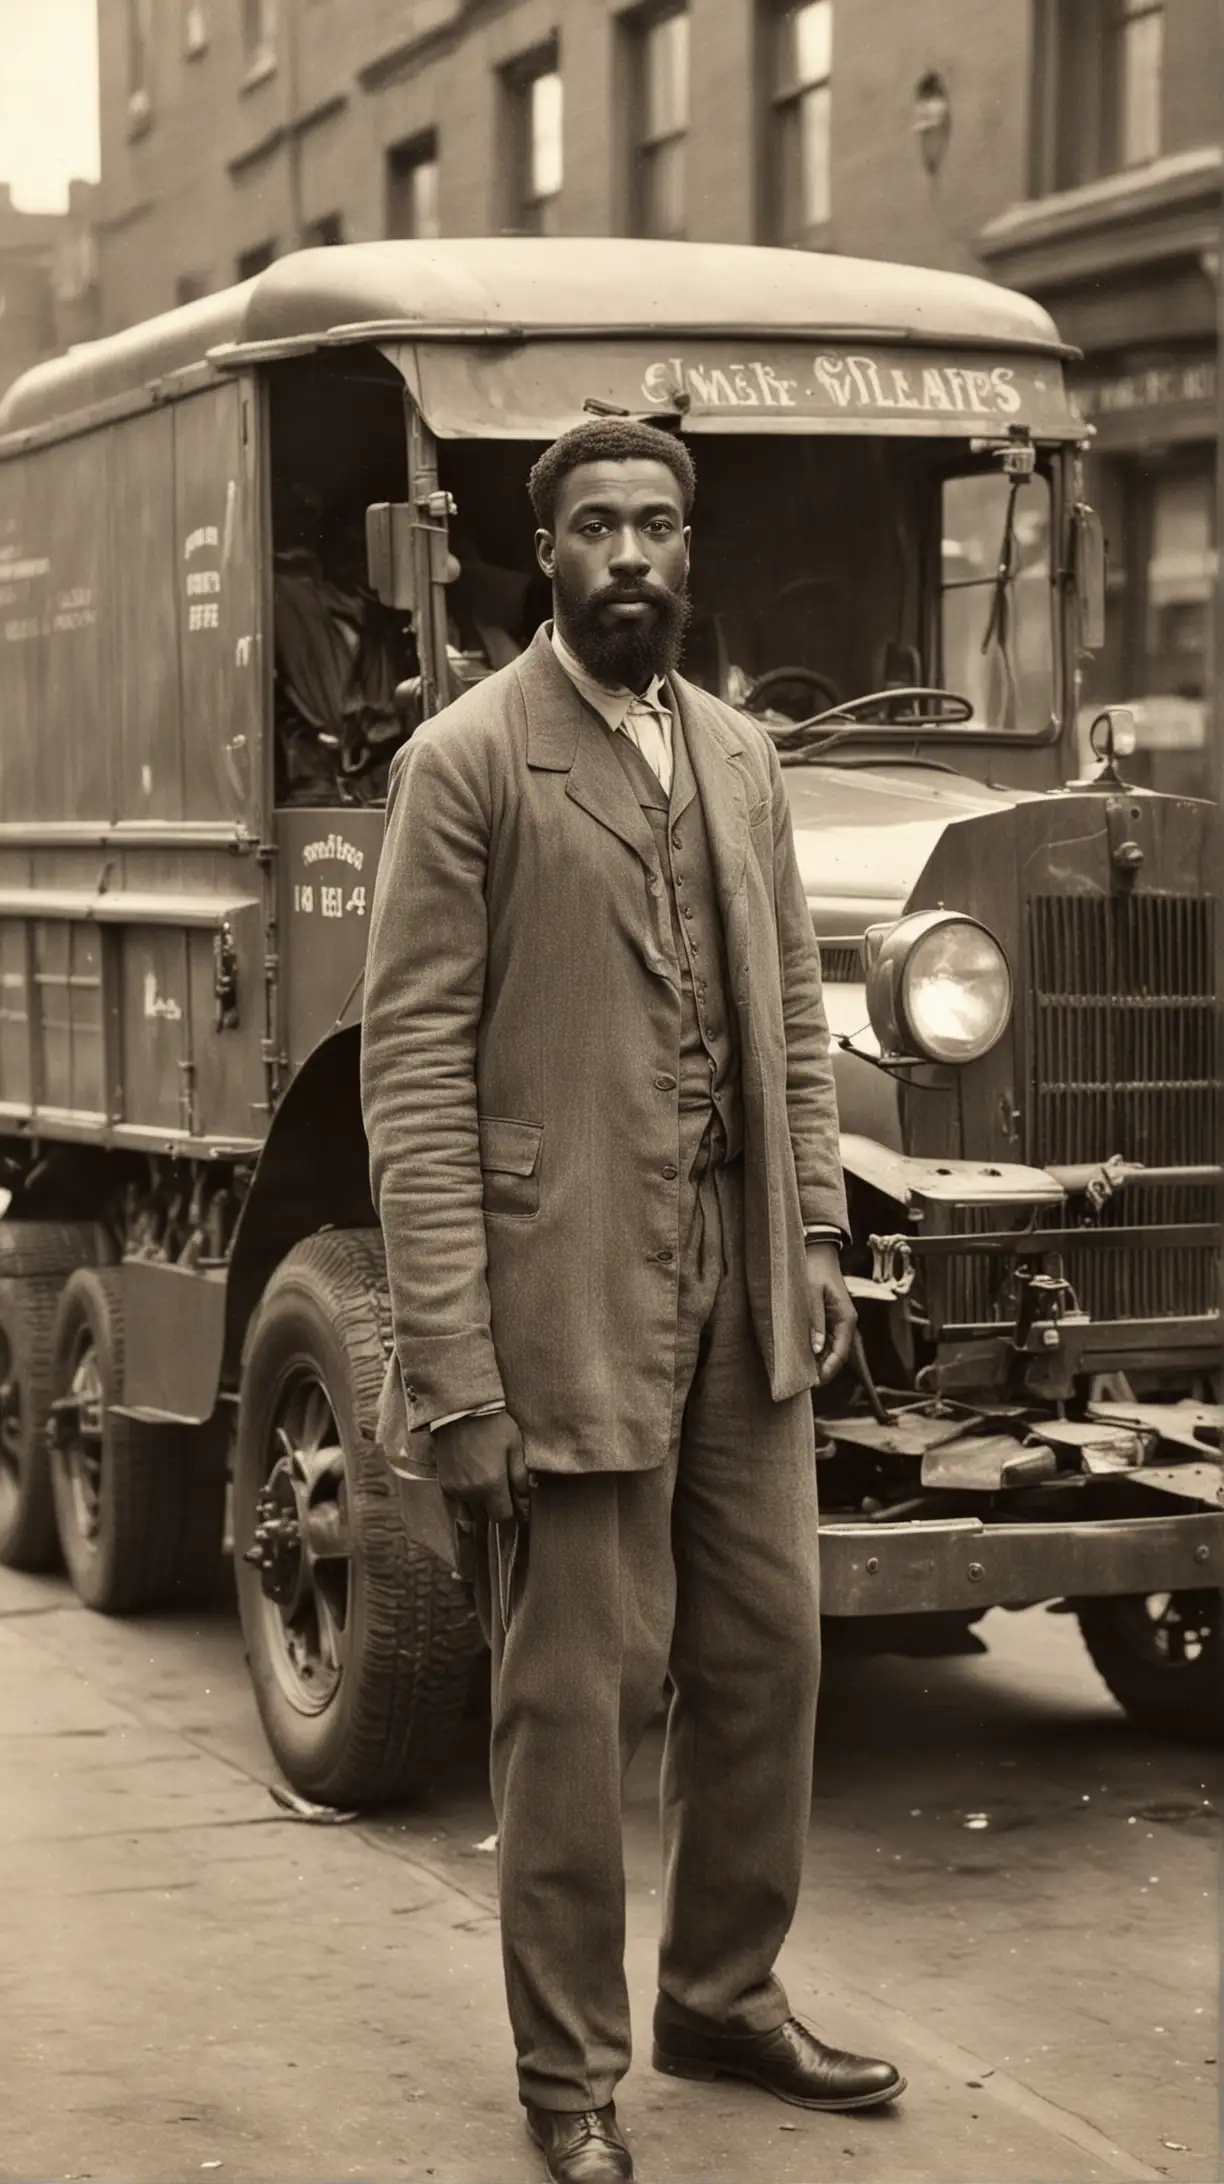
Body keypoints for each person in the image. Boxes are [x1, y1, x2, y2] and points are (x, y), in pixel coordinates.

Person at [360, 418, 904, 2184]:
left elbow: (796, 1034)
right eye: (597, 527)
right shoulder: (468, 762)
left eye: (660, 525)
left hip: (739, 1296)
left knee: (765, 1658)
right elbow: (414, 1083)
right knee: (576, 1707)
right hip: (563, 1296)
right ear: (547, 553)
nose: (634, 558)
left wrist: (815, 1237)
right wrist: (455, 1369)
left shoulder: (739, 755)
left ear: (691, 544)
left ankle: (723, 1996)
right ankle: (569, 2072)